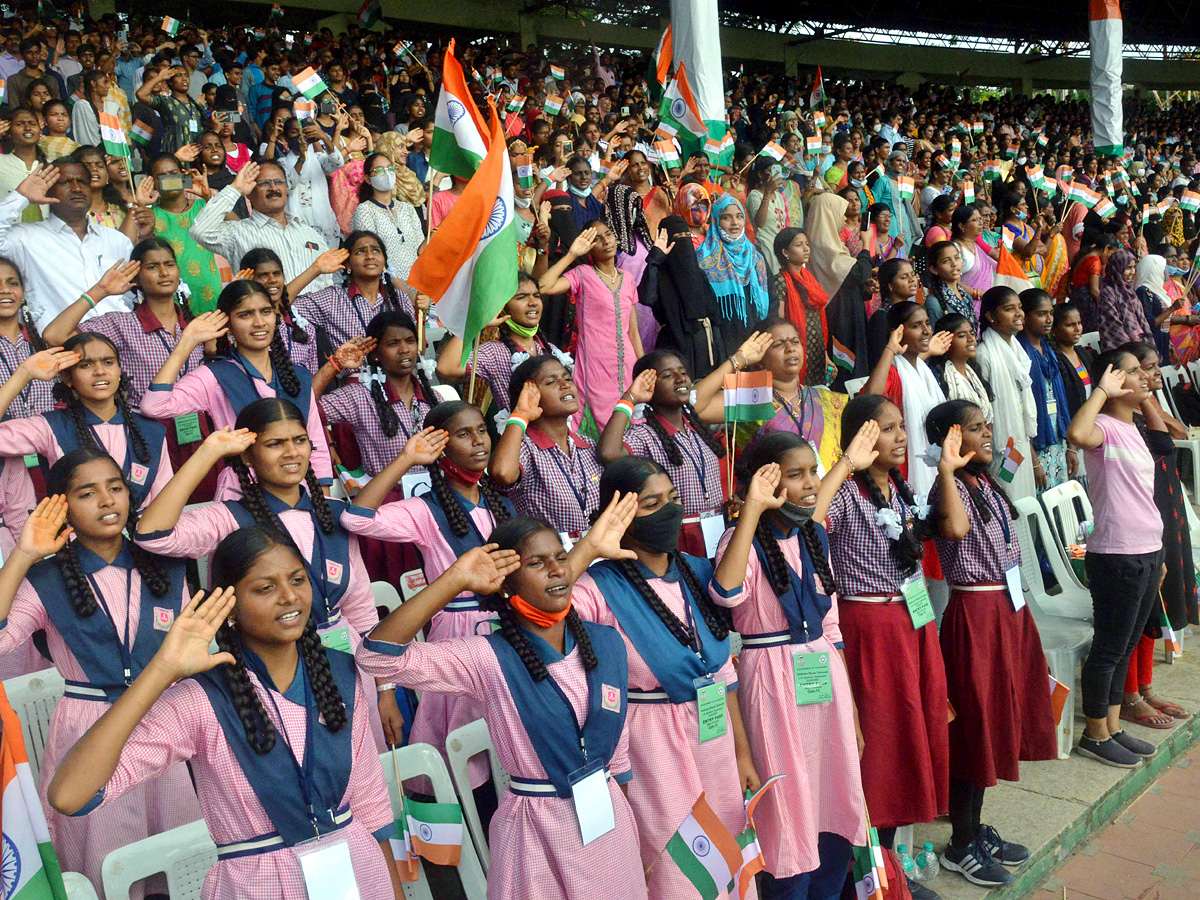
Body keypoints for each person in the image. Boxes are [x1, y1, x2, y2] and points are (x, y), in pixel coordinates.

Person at [47, 525, 404, 900]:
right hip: (256, 885)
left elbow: (371, 809)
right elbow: (71, 795)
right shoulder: (200, 698)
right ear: (229, 606)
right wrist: (161, 670)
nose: (288, 597)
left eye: (297, 579)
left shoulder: (340, 673)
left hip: (357, 871)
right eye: (265, 588)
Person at [356, 505, 650, 900]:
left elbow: (620, 757)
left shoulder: (607, 642)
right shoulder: (486, 657)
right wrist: (455, 579)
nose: (557, 569)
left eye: (561, 558)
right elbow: (377, 657)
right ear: (506, 584)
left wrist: (625, 831)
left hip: (607, 820)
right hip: (536, 829)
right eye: (536, 563)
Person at [133, 402, 403, 744]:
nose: (291, 453)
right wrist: (209, 452)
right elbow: (152, 534)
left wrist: (386, 691)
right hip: (273, 671)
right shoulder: (228, 518)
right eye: (275, 444)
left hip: (348, 664)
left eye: (300, 440)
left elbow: (362, 611)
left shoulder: (336, 514)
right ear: (248, 455)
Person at [0, 459, 202, 897]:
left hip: (164, 719)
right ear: (62, 506)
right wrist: (24, 553)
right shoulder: (45, 578)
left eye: (115, 488)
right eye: (87, 493)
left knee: (178, 856)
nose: (107, 501)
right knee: (110, 863)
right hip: (87, 727)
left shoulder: (166, 564)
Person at [572, 457, 760, 899]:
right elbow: (543, 604)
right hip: (652, 748)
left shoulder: (695, 570)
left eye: (673, 499)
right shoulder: (598, 585)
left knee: (729, 855)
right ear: (619, 515)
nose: (669, 511)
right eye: (651, 503)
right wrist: (590, 548)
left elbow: (723, 673)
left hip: (714, 739)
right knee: (679, 872)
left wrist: (743, 754)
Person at [713, 431, 873, 900]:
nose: (809, 484)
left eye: (813, 473)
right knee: (788, 806)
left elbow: (834, 629)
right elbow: (725, 592)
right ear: (766, 480)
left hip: (823, 684)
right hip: (771, 681)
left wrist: (854, 714)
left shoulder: (812, 537)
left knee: (832, 799)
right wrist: (753, 510)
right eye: (797, 474)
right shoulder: (740, 540)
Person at [924, 401, 1057, 887]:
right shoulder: (949, 488)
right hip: (976, 614)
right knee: (974, 724)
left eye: (987, 426)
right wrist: (949, 466)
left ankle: (976, 828)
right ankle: (960, 844)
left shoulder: (985, 482)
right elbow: (955, 531)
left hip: (1007, 609)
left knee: (997, 717)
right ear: (951, 439)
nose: (988, 434)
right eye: (976, 428)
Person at [815, 395, 948, 874]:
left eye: (899, 428)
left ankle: (894, 863)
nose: (899, 438)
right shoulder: (848, 490)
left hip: (910, 618)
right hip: (870, 625)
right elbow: (814, 518)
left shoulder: (898, 488)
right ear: (862, 437)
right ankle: (866, 870)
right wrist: (848, 460)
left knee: (912, 728)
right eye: (886, 429)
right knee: (880, 738)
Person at [141, 280, 332, 501]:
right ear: (227, 325)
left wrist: (323, 500)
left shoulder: (297, 375)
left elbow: (315, 443)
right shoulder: (215, 375)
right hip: (244, 495)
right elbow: (154, 406)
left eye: (266, 312)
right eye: (246, 315)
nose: (259, 322)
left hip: (302, 492)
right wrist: (187, 343)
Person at [1066, 348, 1165, 768]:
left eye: (1143, 371)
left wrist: (1158, 557)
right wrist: (1100, 393)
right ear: (1112, 380)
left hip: (1146, 549)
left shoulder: (1134, 427)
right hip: (1117, 553)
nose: (1144, 377)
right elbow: (1076, 434)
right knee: (1109, 648)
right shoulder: (1103, 425)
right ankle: (1094, 732)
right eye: (1132, 373)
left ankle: (1112, 726)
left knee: (1124, 645)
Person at [0, 331, 173, 509]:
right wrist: (24, 373)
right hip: (76, 536)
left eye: (108, 362)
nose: (99, 371)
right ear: (67, 378)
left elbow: (166, 503)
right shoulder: (50, 427)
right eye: (86, 365)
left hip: (143, 534)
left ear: (120, 371)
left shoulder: (150, 430)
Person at [1119, 342, 1193, 729]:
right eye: (1143, 370)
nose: (1153, 376)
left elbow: (1171, 438)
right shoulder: (1115, 418)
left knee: (1156, 604)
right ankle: (1130, 695)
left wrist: (1149, 397)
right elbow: (1162, 442)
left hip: (1162, 512)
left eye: (1153, 368)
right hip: (1134, 523)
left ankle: (1146, 688)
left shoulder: (1145, 410)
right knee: (1138, 609)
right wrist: (1145, 398)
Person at [42, 238, 202, 408]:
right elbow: (54, 336)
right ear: (137, 278)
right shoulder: (121, 324)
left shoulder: (196, 326)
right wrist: (100, 290)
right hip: (145, 428)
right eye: (152, 267)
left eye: (169, 264)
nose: (164, 273)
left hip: (199, 427)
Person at [596, 352, 727, 556]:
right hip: (676, 537)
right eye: (668, 375)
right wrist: (630, 398)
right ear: (650, 387)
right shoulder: (644, 435)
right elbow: (608, 453)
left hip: (715, 532)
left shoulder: (699, 431)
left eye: (683, 372)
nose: (680, 378)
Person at [0, 160, 134, 330]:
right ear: (48, 189)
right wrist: (21, 197)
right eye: (65, 182)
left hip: (116, 348)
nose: (77, 188)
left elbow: (128, 298)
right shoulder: (26, 239)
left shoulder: (118, 241)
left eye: (83, 182)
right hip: (59, 349)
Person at [538, 221, 642, 435]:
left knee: (631, 428)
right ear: (588, 246)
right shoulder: (582, 274)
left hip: (628, 367)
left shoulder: (628, 278)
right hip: (595, 371)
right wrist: (572, 254)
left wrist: (644, 366)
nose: (605, 241)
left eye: (608, 234)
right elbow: (543, 286)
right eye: (597, 238)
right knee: (600, 432)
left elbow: (633, 332)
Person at [489, 354, 604, 537]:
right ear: (528, 396)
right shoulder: (525, 447)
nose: (565, 384)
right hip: (551, 558)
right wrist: (521, 414)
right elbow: (502, 473)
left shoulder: (588, 445)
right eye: (551, 382)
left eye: (567, 378)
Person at [319, 310, 436, 484]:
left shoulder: (434, 399)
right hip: (384, 501)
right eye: (393, 343)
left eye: (410, 341)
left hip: (435, 497)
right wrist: (335, 364)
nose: (404, 350)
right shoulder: (358, 396)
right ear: (375, 354)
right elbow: (305, 409)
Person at [189, 160, 336, 294]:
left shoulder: (309, 233)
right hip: (268, 319)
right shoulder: (238, 233)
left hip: (315, 319)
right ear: (249, 194)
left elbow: (327, 281)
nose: (273, 188)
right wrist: (235, 189)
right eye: (264, 183)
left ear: (286, 188)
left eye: (279, 182)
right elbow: (200, 231)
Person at [436, 273, 571, 416]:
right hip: (519, 435)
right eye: (522, 297)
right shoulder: (494, 352)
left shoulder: (551, 349)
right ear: (502, 307)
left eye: (536, 296)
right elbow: (446, 367)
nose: (533, 303)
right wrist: (476, 324)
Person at [862, 302, 951, 496]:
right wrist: (891, 348)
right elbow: (870, 400)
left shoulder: (922, 369)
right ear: (898, 333)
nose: (927, 331)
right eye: (917, 325)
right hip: (904, 465)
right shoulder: (893, 372)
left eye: (927, 323)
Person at [293, 230, 418, 350]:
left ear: (384, 263)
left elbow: (419, 351)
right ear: (347, 264)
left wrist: (420, 316)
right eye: (360, 252)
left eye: (375, 250)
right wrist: (316, 269)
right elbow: (280, 304)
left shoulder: (400, 298)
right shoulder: (332, 299)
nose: (370, 256)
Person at [639, 216, 726, 380]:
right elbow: (647, 297)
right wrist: (654, 259)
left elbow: (714, 318)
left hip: (706, 351)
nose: (683, 243)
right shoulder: (658, 274)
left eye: (686, 237)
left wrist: (720, 358)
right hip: (674, 348)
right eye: (677, 239)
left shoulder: (698, 274)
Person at [976, 287, 1037, 501]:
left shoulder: (1016, 349)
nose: (1019, 314)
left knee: (1025, 498)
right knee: (1009, 496)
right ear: (991, 316)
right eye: (1009, 309)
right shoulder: (985, 354)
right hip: (1002, 446)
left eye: (1019, 308)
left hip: (1019, 441)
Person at [144, 152, 224, 314]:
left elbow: (234, 225)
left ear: (183, 176)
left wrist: (208, 196)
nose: (169, 179)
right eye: (162, 176)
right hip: (172, 303)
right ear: (153, 182)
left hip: (212, 297)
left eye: (173, 174)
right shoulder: (150, 216)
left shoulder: (204, 205)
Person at [696, 194, 771, 353]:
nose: (735, 222)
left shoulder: (756, 254)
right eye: (726, 217)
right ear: (715, 221)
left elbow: (773, 296)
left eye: (739, 216)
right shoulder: (703, 259)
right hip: (725, 342)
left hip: (759, 338)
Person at [1016, 289, 1073, 491]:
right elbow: (1017, 414)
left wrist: (1070, 447)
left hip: (1056, 439)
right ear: (1025, 316)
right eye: (1041, 314)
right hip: (1034, 445)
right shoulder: (1019, 354)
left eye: (1051, 313)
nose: (1049, 319)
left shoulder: (1048, 350)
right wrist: (1033, 461)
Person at [349, 152, 424, 283]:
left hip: (417, 283)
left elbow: (420, 250)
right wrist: (404, 292)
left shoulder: (408, 208)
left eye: (390, 168)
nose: (387, 173)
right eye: (379, 170)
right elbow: (372, 256)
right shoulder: (365, 211)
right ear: (368, 179)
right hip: (387, 286)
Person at [769, 227, 831, 385]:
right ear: (785, 252)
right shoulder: (780, 281)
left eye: (807, 244)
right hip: (796, 347)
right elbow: (780, 322)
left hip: (816, 350)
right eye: (799, 245)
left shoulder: (810, 280)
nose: (806, 249)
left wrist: (825, 355)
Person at [747, 157, 804, 277]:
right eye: (770, 171)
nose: (774, 176)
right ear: (760, 174)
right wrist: (767, 193)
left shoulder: (779, 196)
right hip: (766, 245)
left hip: (781, 245)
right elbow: (760, 223)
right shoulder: (754, 195)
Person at [932, 313, 993, 423]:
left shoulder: (973, 372)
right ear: (946, 341)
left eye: (972, 333)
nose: (971, 339)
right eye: (962, 336)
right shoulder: (939, 377)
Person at [135, 64, 207, 155]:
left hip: (196, 158)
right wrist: (160, 77)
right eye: (179, 75)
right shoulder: (166, 102)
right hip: (174, 155)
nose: (184, 78)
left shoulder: (196, 106)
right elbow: (141, 94)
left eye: (186, 75)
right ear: (170, 82)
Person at [865, 258, 919, 370]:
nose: (912, 280)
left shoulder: (916, 312)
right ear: (890, 285)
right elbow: (879, 362)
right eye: (904, 277)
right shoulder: (882, 318)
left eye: (913, 275)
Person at [0, 107, 47, 224]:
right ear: (8, 132)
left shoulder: (49, 167)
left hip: (43, 238)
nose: (27, 128)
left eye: (32, 123)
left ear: (40, 131)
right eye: (20, 124)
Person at [1051, 303, 1096, 422]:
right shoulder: (1054, 360)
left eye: (1079, 323)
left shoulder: (1084, 354)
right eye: (1070, 325)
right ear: (1053, 331)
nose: (1077, 329)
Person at [1097, 249, 1149, 351]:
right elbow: (1113, 326)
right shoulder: (1108, 292)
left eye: (1134, 267)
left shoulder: (1130, 290)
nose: (1132, 272)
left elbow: (1142, 321)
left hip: (1138, 345)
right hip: (1119, 349)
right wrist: (1134, 350)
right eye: (1128, 268)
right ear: (1117, 268)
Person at [928, 240, 977, 332]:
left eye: (957, 258)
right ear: (934, 269)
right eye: (946, 261)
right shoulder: (934, 302)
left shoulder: (967, 297)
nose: (954, 264)